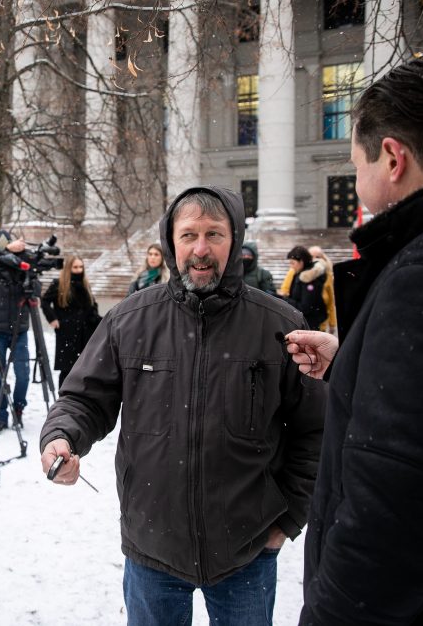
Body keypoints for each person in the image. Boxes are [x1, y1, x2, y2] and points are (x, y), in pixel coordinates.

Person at [40, 186, 325, 626]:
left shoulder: (279, 325)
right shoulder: (130, 319)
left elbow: (316, 429)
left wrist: (286, 520)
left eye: (215, 234)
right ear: (171, 242)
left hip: (246, 554)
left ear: (236, 239)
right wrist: (62, 435)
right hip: (151, 549)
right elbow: (83, 397)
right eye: (188, 234)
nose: (201, 249)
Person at [285, 55, 423, 625]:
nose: (356, 181)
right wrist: (356, 364)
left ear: (393, 158)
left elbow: (394, 513)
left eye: (356, 163)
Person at [0, 231, 38, 432]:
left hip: (20, 328)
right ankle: (0, 416)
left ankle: (18, 409)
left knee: (23, 375)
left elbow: (36, 286)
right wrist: (5, 253)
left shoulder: (22, 264)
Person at [40, 254, 101, 389]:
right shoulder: (59, 284)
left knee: (86, 369)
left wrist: (97, 320)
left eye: (81, 267)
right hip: (67, 332)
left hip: (86, 332)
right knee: (67, 370)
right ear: (68, 268)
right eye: (75, 267)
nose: (79, 270)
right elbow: (44, 301)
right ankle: (64, 402)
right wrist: (53, 319)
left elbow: (92, 306)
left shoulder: (85, 284)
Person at [284, 245, 326, 330]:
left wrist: (285, 300)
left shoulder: (308, 278)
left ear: (301, 262)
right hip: (305, 321)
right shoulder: (299, 273)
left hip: (310, 323)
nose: (291, 266)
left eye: (293, 263)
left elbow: (306, 307)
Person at [304, 246, 336, 335]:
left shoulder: (327, 275)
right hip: (303, 319)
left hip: (321, 322)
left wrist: (332, 323)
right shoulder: (297, 272)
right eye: (311, 256)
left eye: (317, 257)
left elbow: (331, 301)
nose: (315, 260)